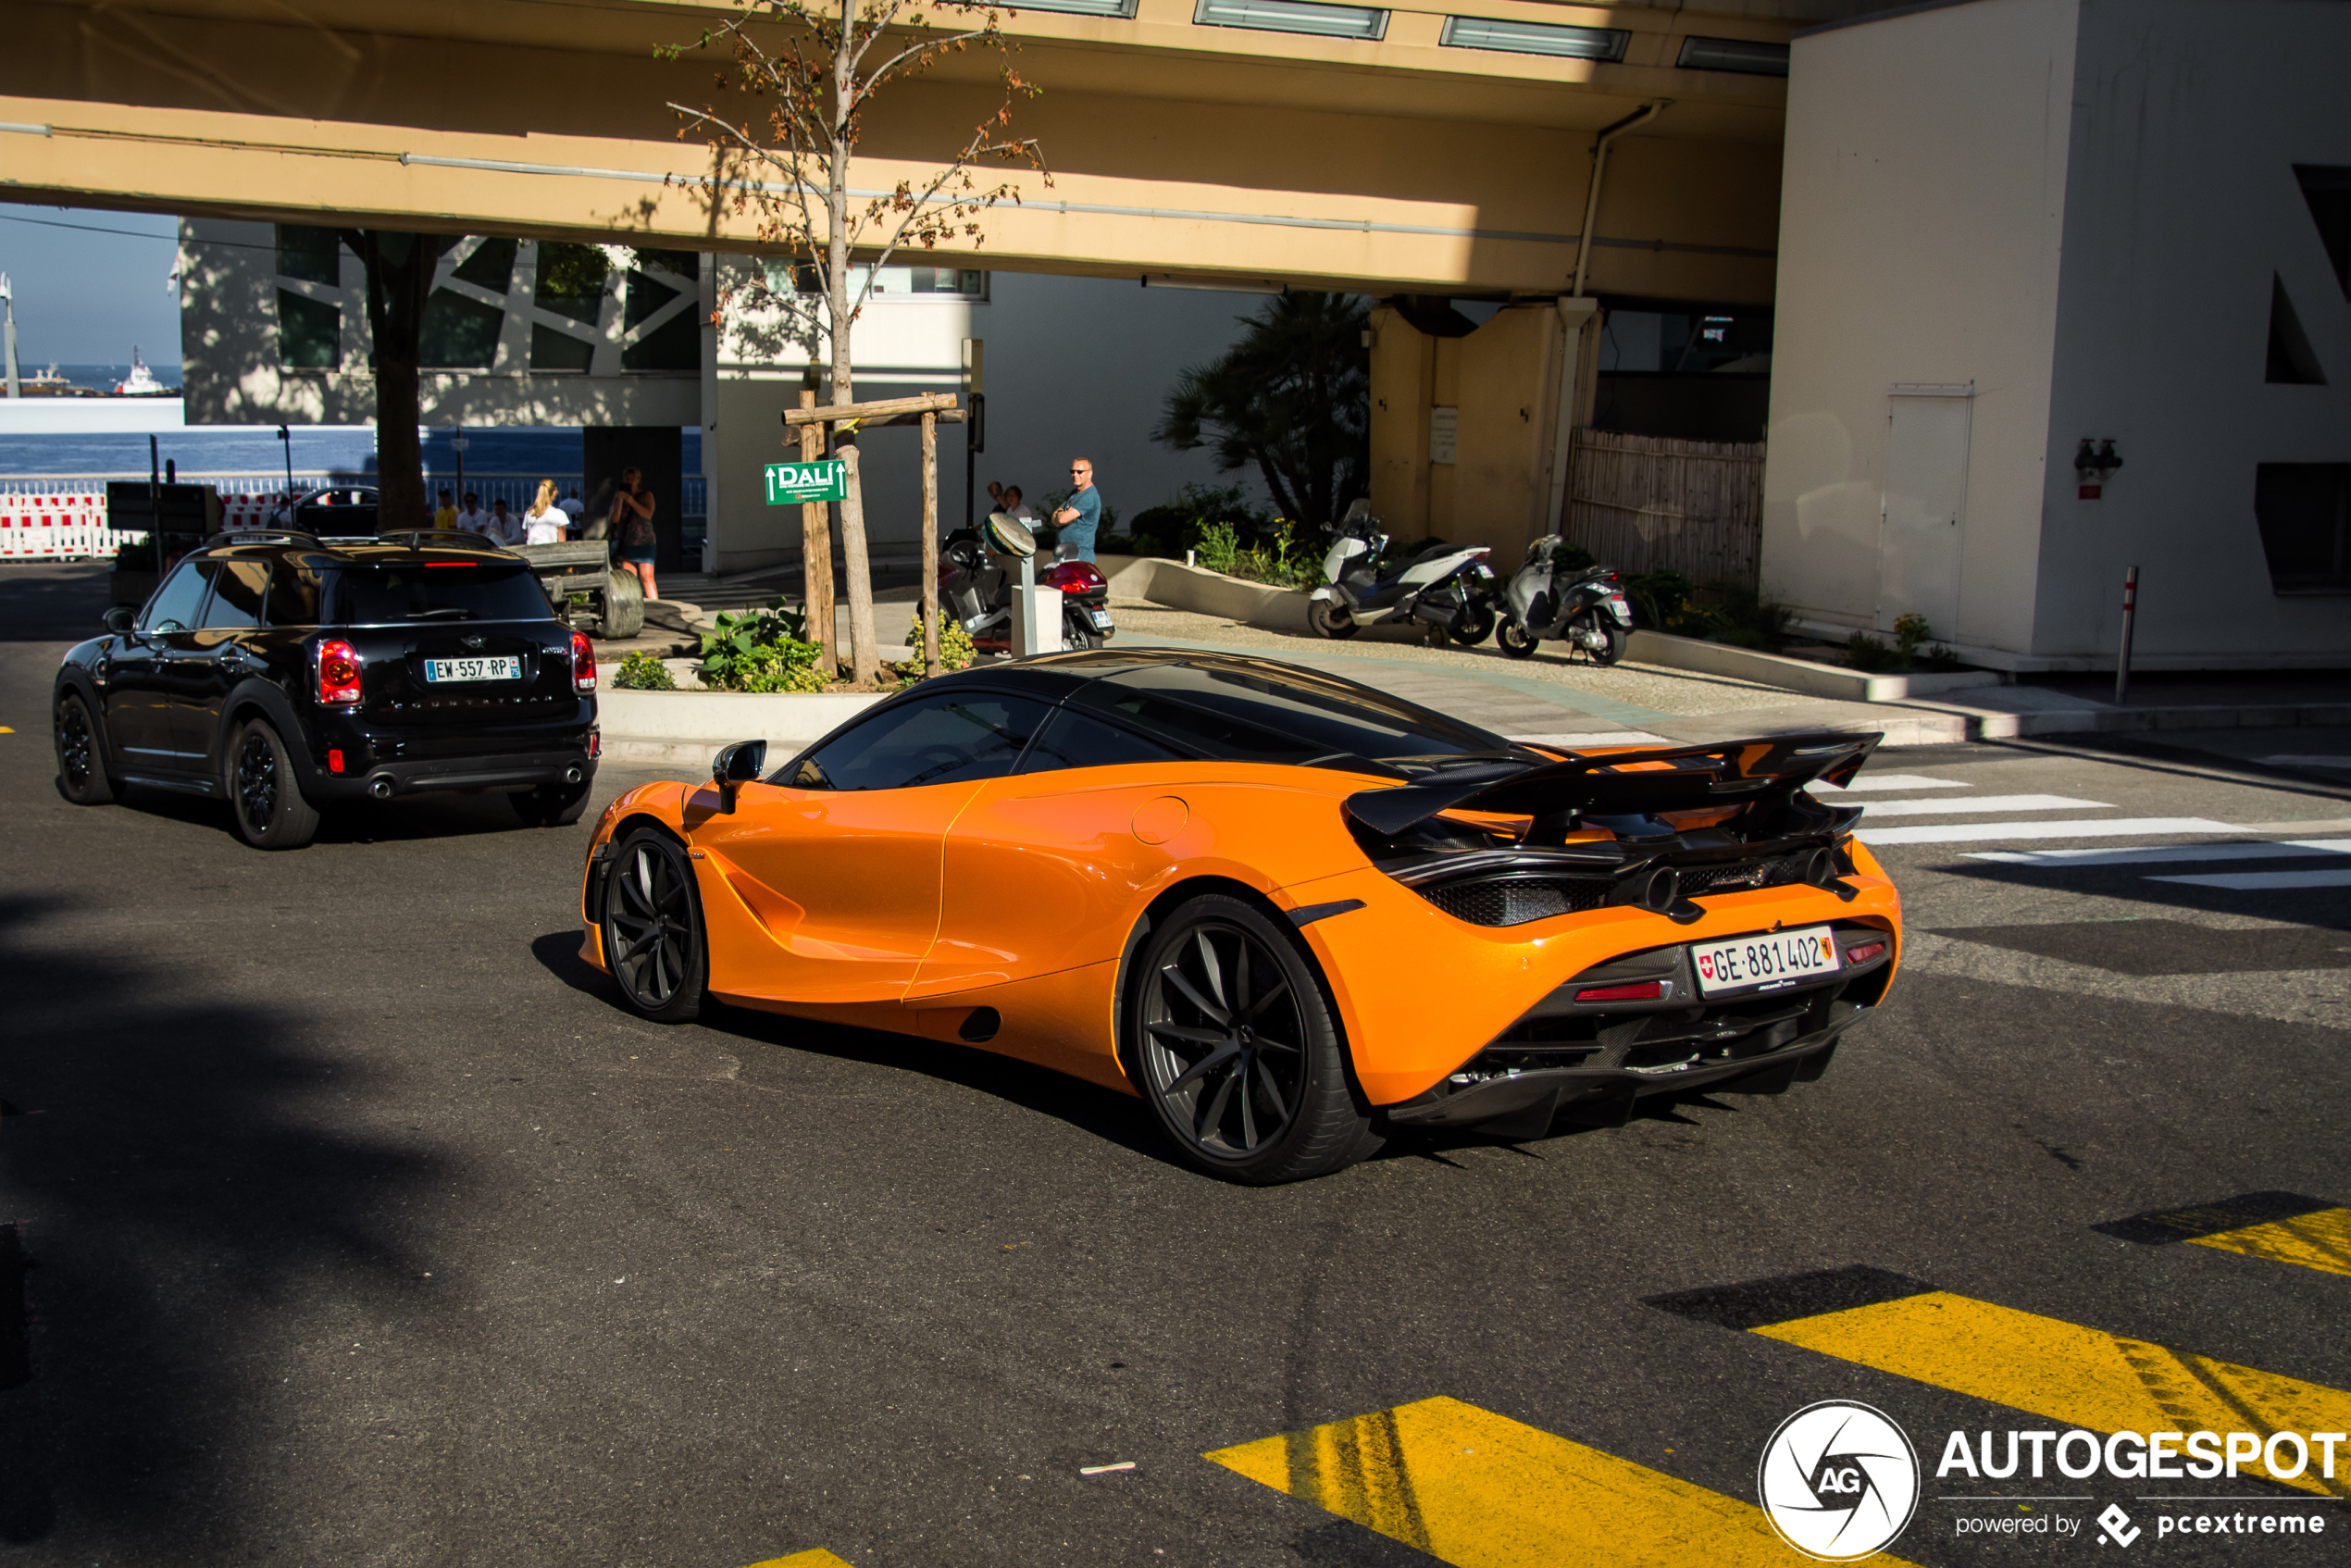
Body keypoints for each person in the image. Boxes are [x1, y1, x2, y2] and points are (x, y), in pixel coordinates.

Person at [610, 467, 658, 601]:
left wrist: (631, 501)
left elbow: (648, 514)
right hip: (627, 541)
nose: (628, 482)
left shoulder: (646, 495)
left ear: (638, 480)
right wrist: (620, 500)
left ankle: (656, 606)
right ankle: (634, 604)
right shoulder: (619, 496)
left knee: (647, 577)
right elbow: (614, 519)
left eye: (631, 479)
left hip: (645, 541)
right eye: (626, 479)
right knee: (630, 579)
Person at [1052, 458, 1101, 563]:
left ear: (1090, 473)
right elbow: (1055, 518)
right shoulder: (1074, 494)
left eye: (1079, 472)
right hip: (1064, 556)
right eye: (1072, 471)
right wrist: (1061, 516)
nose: (1075, 475)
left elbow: (1061, 520)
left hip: (1079, 558)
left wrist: (1061, 517)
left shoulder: (1089, 496)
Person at [522, 479, 566, 544]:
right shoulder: (560, 514)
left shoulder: (529, 513)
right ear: (554, 493)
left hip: (531, 552)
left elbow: (526, 536)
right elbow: (562, 541)